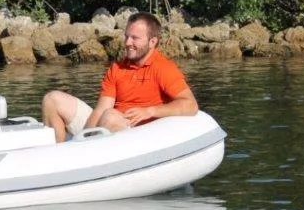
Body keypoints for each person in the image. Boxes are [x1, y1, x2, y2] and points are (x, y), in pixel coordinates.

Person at [42, 12, 198, 143]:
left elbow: (191, 105)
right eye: (127, 36)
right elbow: (101, 109)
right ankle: (60, 154)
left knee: (110, 117)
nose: (128, 43)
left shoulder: (164, 68)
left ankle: (90, 156)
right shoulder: (116, 68)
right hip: (108, 126)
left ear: (152, 42)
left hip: (138, 134)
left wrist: (150, 111)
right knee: (52, 99)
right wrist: (82, 140)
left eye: (135, 38)